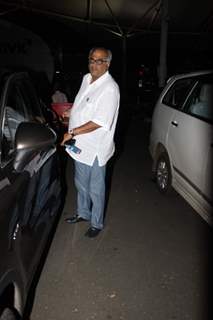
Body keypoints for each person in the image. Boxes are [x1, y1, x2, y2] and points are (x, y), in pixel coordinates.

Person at [61, 47, 120, 238]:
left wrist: (72, 132)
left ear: (108, 64)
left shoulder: (110, 89)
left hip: (96, 147)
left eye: (99, 61)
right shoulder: (87, 79)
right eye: (92, 60)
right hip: (80, 146)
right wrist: (71, 112)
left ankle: (96, 223)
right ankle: (83, 213)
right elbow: (82, 103)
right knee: (81, 184)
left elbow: (99, 122)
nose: (94, 64)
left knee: (96, 188)